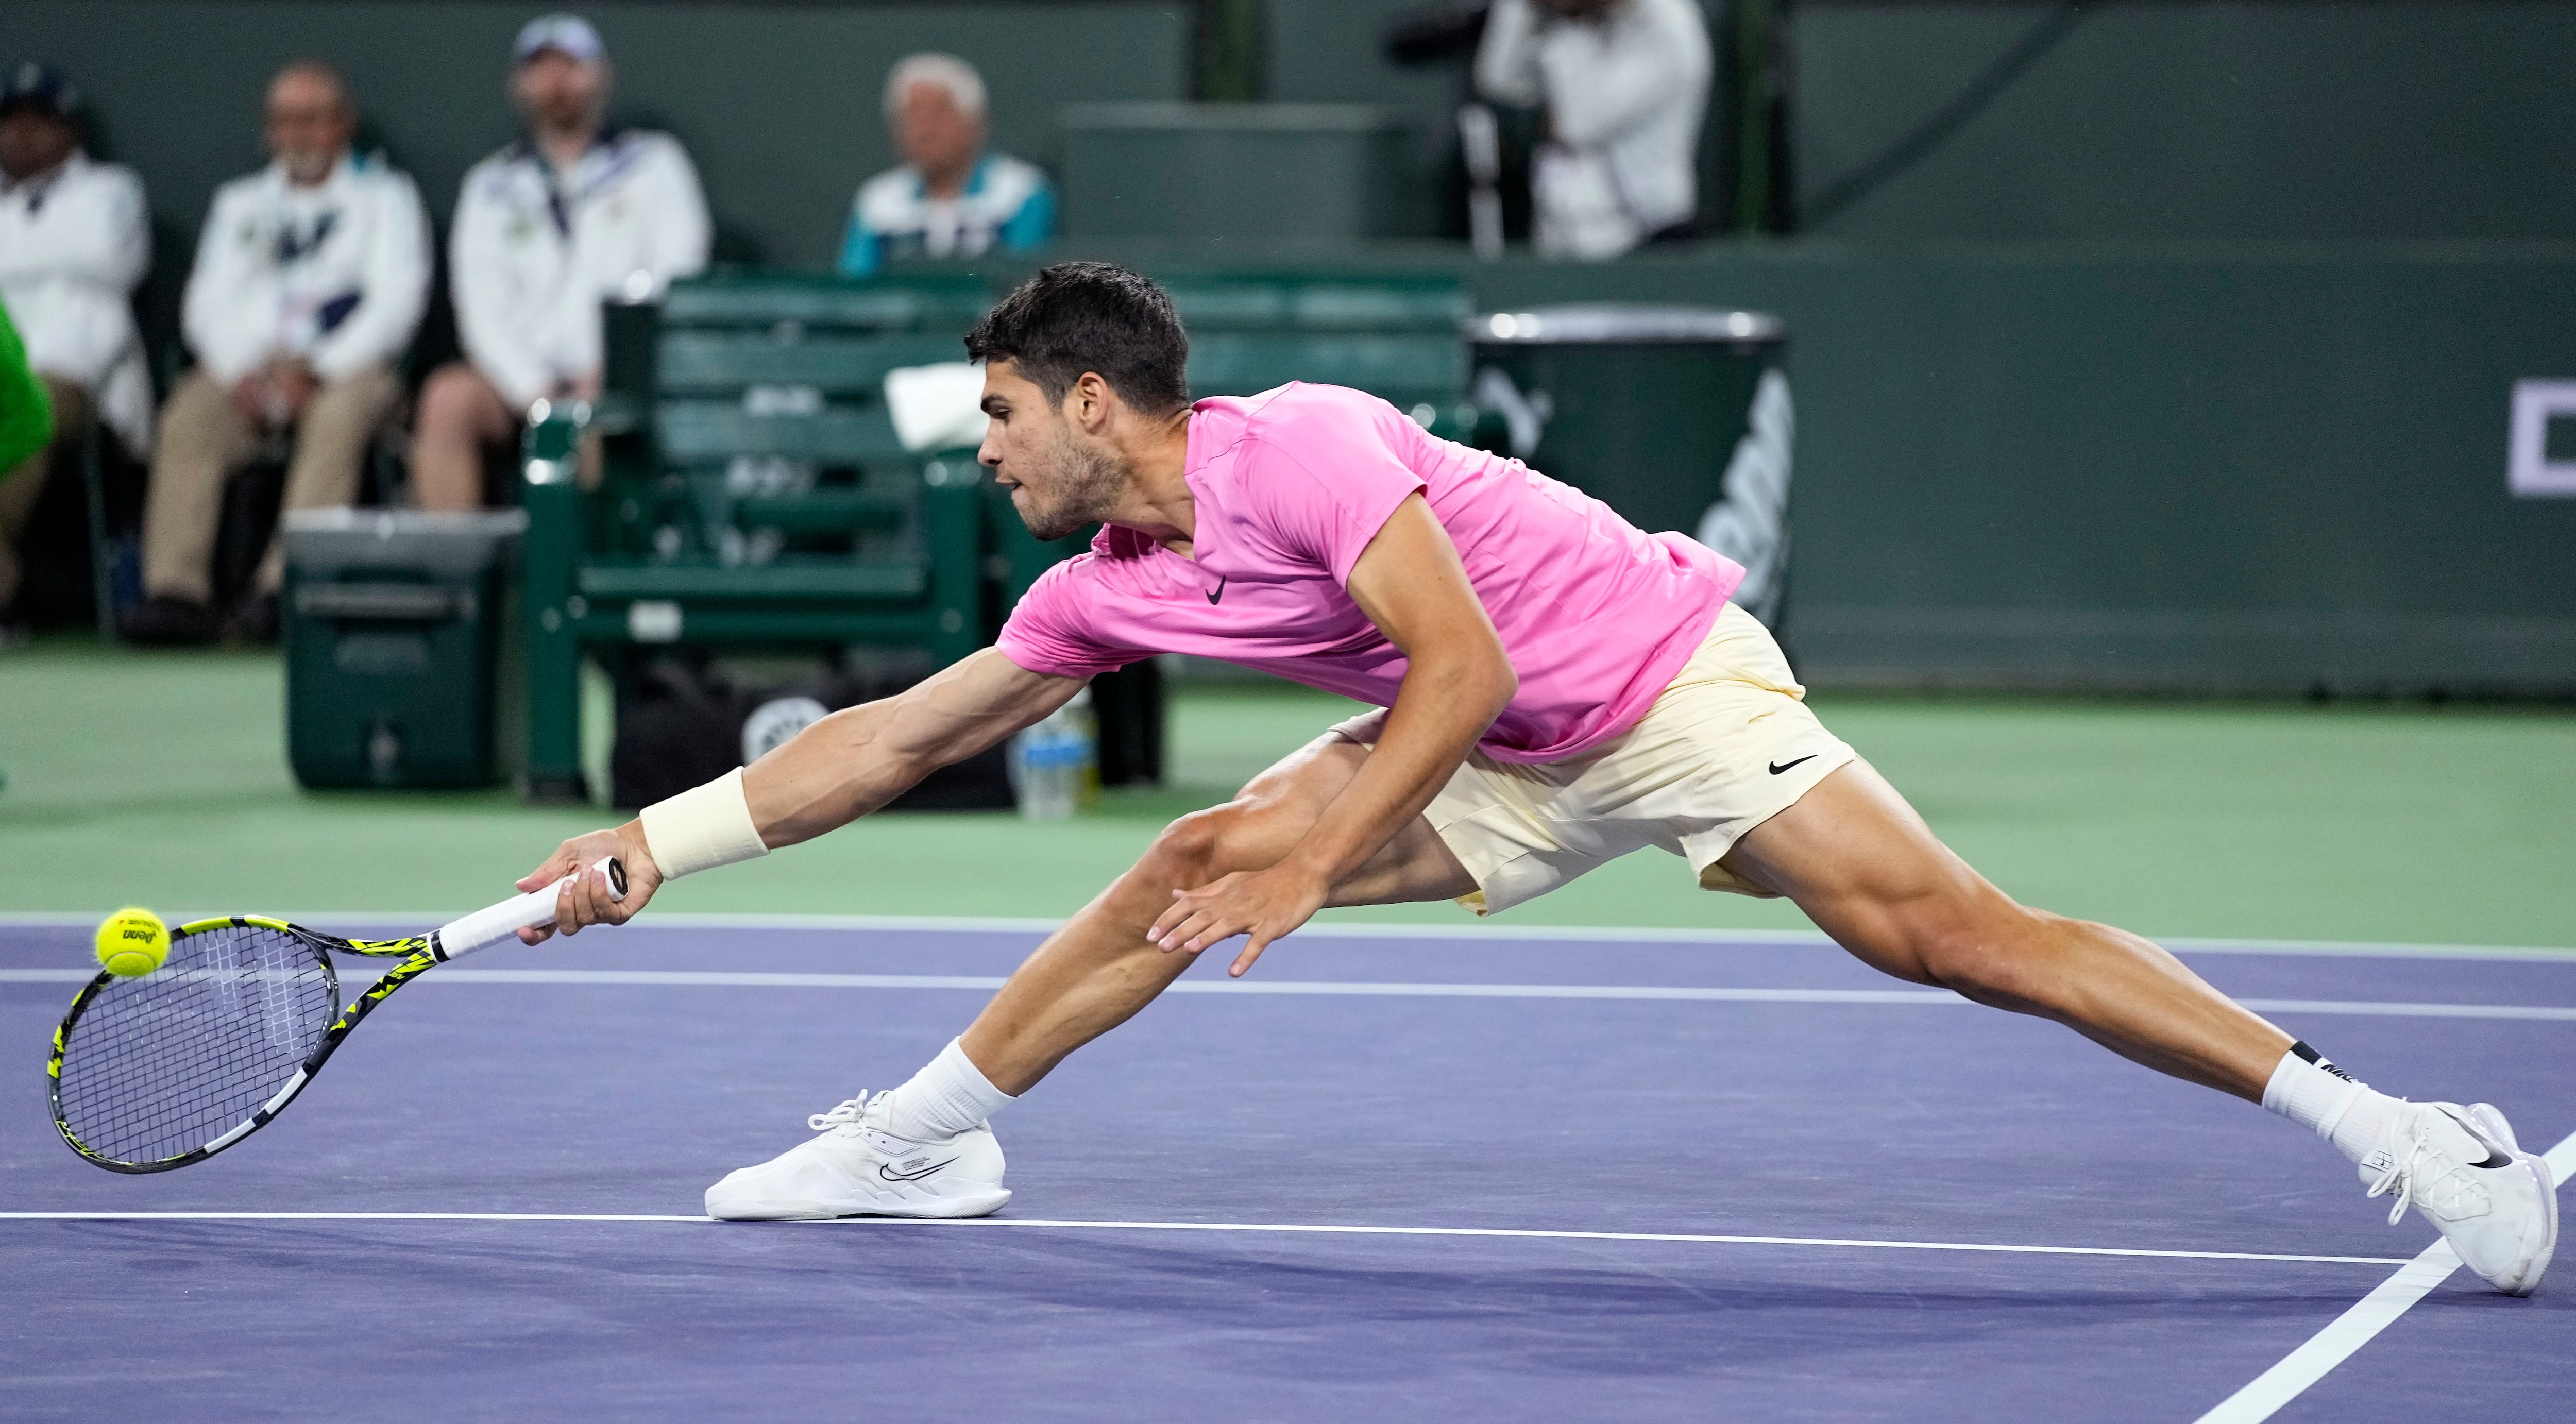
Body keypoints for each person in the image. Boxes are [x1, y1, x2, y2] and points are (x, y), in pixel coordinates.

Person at [515, 262, 2557, 1296]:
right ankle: (922, 1137)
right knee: (1177, 864)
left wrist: (1319, 837)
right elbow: (900, 736)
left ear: (1085, 399)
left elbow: (1466, 650)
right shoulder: (1098, 581)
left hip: (1648, 681)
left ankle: (2389, 1124)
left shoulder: (1297, 441)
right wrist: (656, 841)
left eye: (993, 414)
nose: (978, 448)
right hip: (1489, 747)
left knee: (1944, 934)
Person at [121, 61, 429, 646]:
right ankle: (176, 594)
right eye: (287, 121)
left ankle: (282, 589)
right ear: (269, 130)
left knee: (338, 418)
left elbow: (397, 304)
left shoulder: (386, 197)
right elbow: (206, 307)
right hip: (250, 373)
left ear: (343, 125)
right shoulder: (239, 204)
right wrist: (244, 374)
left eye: (314, 120)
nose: (301, 135)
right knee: (188, 415)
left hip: (350, 373)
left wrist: (319, 372)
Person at [413, 13, 709, 510]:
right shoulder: (490, 186)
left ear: (603, 77)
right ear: (518, 85)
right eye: (541, 70)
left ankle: (587, 578)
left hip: (620, 378)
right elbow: (480, 307)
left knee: (599, 426)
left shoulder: (656, 165)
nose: (557, 84)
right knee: (447, 401)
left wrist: (608, 374)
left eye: (571, 67)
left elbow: (676, 277)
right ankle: (462, 579)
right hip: (518, 386)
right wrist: (537, 393)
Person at [0, 62, 150, 633]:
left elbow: (110, 260)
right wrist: (61, 258)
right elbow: (80, 258)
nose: (22, 135)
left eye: (41, 121)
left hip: (80, 384)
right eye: (11, 122)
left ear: (71, 132)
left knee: (25, 416)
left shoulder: (110, 189)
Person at [1473, 0, 1711, 258]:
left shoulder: (1667, 24)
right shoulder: (1588, 17)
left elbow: (1579, 122)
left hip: (1643, 238)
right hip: (1563, 234)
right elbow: (1499, 81)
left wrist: (1570, 18)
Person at [837, 54, 1053, 277]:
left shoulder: (1022, 192)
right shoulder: (876, 202)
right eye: (911, 117)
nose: (924, 131)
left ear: (976, 122)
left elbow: (1023, 287)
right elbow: (855, 291)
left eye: (939, 114)